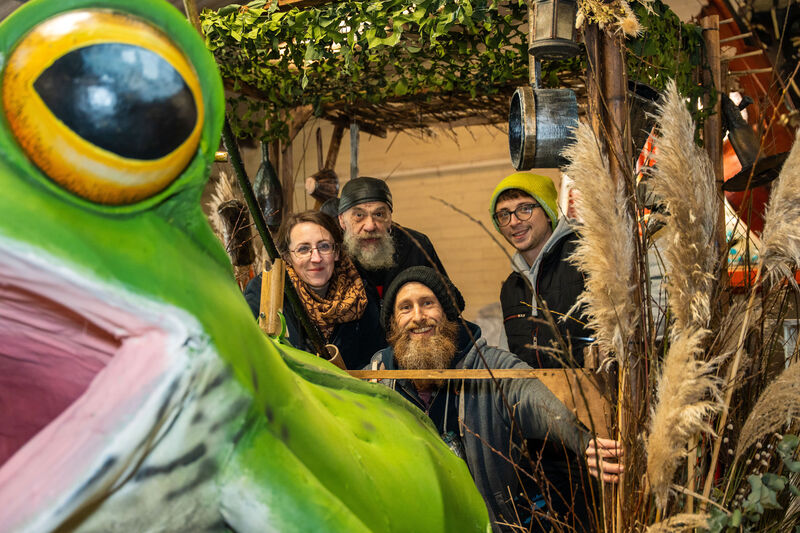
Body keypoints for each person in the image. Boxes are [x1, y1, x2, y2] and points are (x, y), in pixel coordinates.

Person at [369, 267, 622, 532]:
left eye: (428, 303)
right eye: (405, 308)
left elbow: (535, 400)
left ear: (447, 313)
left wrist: (582, 441)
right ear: (393, 322)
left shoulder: (489, 365)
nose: (418, 317)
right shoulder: (379, 375)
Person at [244, 211, 385, 369]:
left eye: (324, 246)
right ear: (287, 258)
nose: (316, 258)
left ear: (336, 252)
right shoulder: (265, 294)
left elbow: (375, 357)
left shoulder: (360, 294)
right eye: (303, 249)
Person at [489, 171, 591, 368]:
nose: (514, 221)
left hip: (592, 393)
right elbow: (508, 357)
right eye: (504, 214)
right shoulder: (512, 287)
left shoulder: (584, 258)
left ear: (546, 212)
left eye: (525, 209)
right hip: (533, 397)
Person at [337, 176, 448, 298]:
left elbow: (447, 300)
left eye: (379, 214)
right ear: (342, 220)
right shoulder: (330, 253)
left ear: (390, 218)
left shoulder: (416, 245)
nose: (370, 226)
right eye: (359, 215)